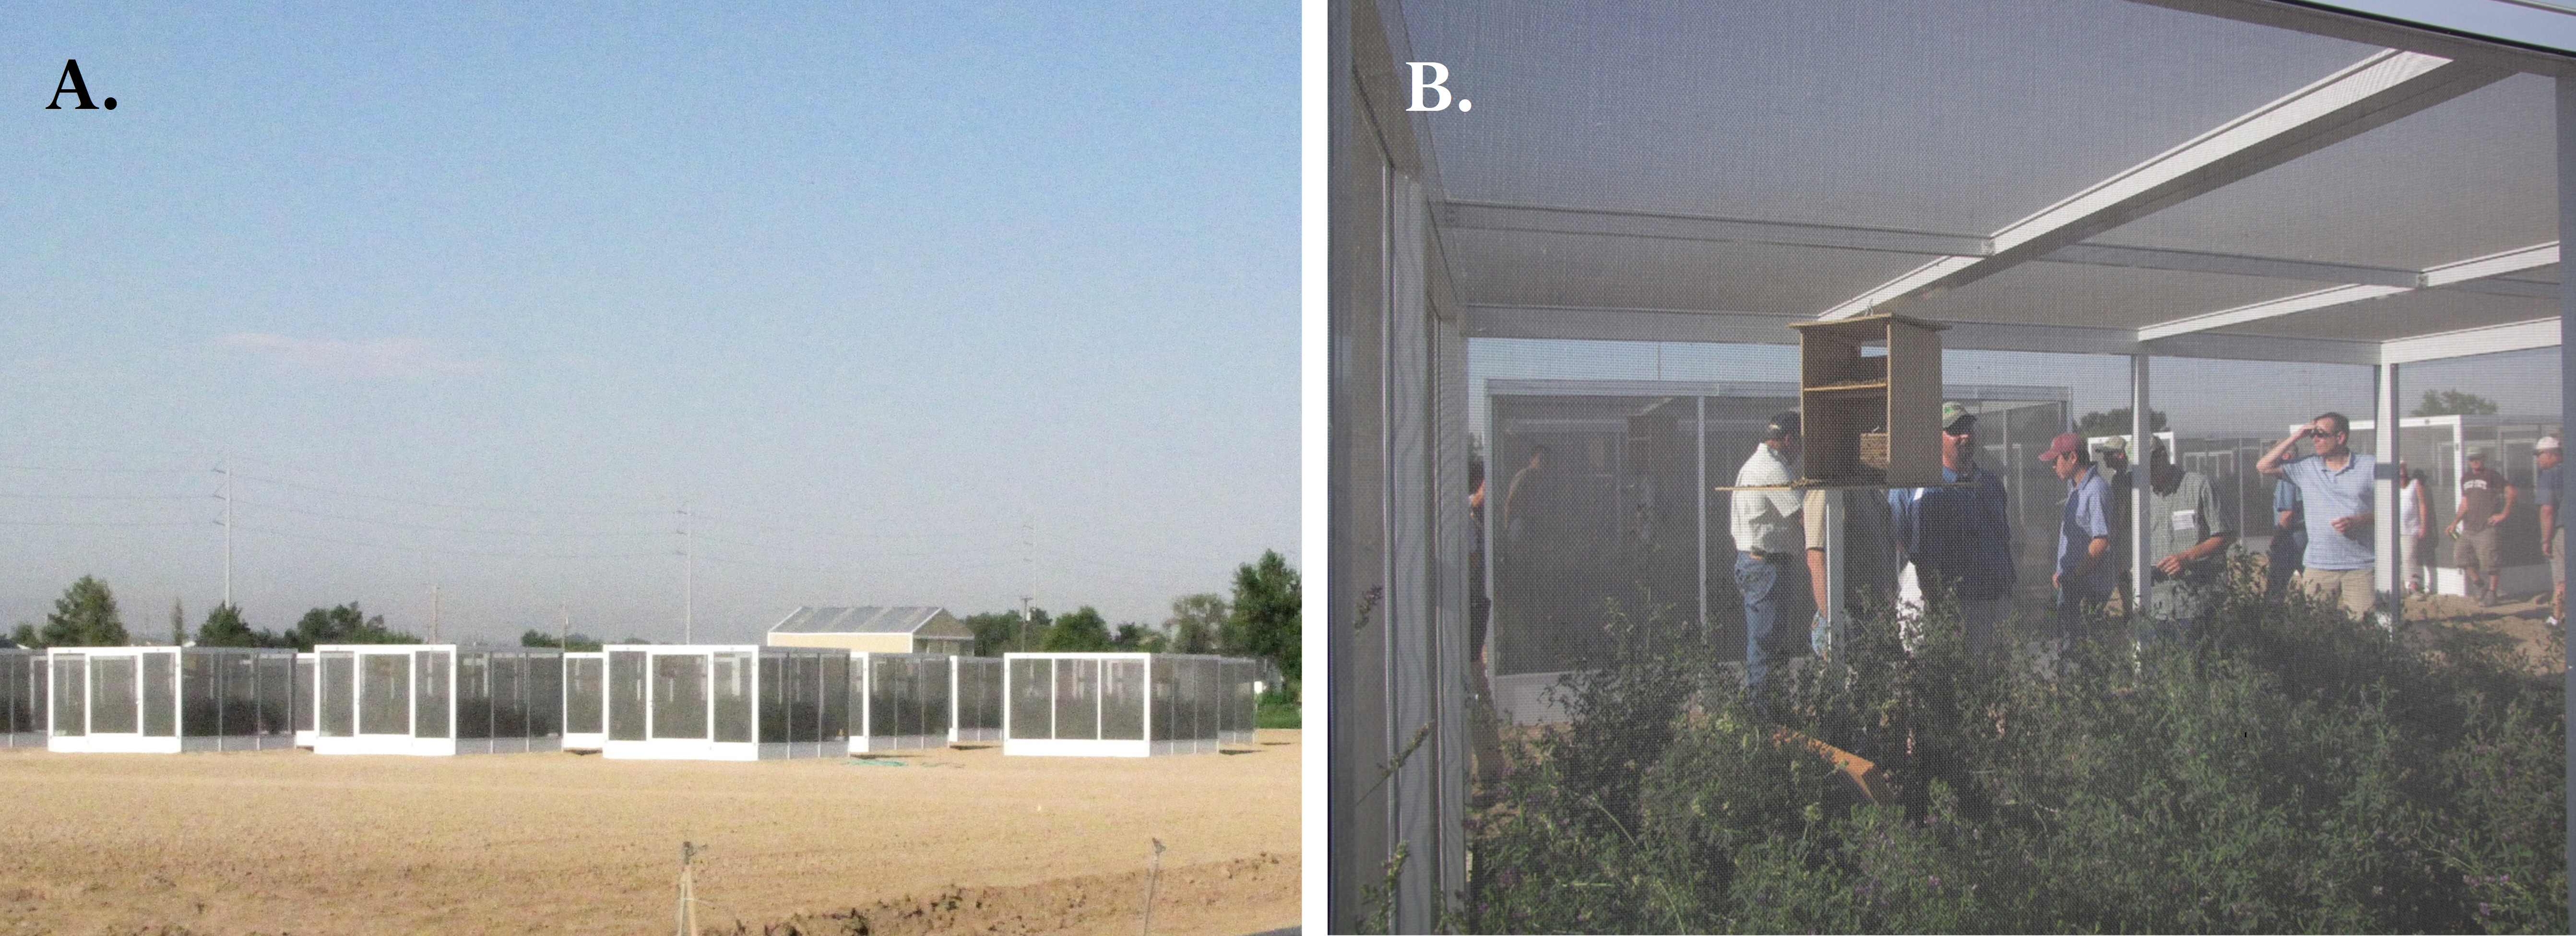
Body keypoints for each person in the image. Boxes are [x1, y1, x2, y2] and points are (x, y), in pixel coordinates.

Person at [1890, 402, 2016, 662]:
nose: (1965, 435)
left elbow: (2004, 538)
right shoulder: (1925, 487)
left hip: (1996, 601)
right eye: (1955, 430)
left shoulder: (1990, 483)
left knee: (1997, 681)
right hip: (1954, 606)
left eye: (1968, 427)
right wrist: (1939, 610)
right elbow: (1903, 542)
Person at [2256, 412, 2377, 621]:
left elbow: (2391, 509)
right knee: (2317, 628)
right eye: (2313, 435)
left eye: (2321, 434)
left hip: (2361, 566)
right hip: (2319, 566)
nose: (2315, 440)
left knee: (2364, 628)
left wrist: (2358, 520)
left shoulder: (2369, 466)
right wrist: (2296, 436)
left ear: (2340, 438)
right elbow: (2263, 466)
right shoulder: (2307, 467)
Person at [1732, 412, 1804, 698]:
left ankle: (1765, 714)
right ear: (1788, 440)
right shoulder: (1773, 469)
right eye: (1800, 444)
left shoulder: (1755, 464)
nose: (1800, 452)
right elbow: (1803, 516)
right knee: (1765, 644)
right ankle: (1765, 720)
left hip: (1754, 562)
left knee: (1762, 643)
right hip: (1767, 566)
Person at [2138, 442, 2237, 644]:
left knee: (2196, 667)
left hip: (2195, 602)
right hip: (2156, 606)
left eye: (2151, 467)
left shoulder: (2199, 486)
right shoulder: (2142, 498)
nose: (2147, 475)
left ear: (2163, 456)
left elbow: (2224, 535)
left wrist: (2187, 557)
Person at [1804, 485, 1900, 659]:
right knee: (1846, 682)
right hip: (1847, 619)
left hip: (1876, 617)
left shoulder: (1871, 491)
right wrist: (1834, 626)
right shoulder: (1828, 489)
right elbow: (1816, 559)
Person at [2042, 432, 2114, 647]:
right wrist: (2061, 570)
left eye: (2056, 460)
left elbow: (2101, 541)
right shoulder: (2077, 491)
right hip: (2073, 582)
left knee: (2080, 647)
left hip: (2086, 588)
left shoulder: (2095, 491)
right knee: (2067, 643)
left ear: (2072, 457)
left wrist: (2075, 573)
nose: (2053, 466)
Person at [2449, 447, 2516, 607]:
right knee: (2461, 556)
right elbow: (2465, 503)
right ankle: (2480, 585)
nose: (2475, 462)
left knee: (2491, 562)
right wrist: (2455, 522)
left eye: (2478, 459)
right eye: (2472, 459)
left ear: (2484, 459)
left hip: (2487, 527)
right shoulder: (2465, 478)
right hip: (2468, 528)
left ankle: (2492, 594)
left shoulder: (2492, 475)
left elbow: (2511, 492)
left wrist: (2504, 514)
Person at [2097, 436, 2134, 614]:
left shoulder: (2126, 478)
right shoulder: (2119, 478)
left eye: (2108, 454)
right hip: (2123, 536)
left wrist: (2113, 535)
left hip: (2127, 535)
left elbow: (2122, 511)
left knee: (2126, 577)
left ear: (2120, 455)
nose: (2105, 459)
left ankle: (2132, 615)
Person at [2535, 436, 2563, 626]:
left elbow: (2547, 510)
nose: (2538, 459)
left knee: (2562, 577)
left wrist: (2545, 540)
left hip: (2564, 530)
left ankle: (2556, 618)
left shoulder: (2549, 476)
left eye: (2539, 455)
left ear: (2549, 454)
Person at [2266, 479, 2307, 601]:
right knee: (2312, 585)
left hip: (2289, 540)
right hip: (2307, 537)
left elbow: (2287, 515)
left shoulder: (2287, 480)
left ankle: (2273, 618)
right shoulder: (2306, 474)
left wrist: (2276, 538)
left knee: (2275, 589)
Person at [2396, 461, 2428, 597]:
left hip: (2411, 528)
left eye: (2403, 467)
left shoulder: (2415, 484)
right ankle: (2401, 589)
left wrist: (2424, 526)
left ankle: (2414, 586)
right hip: (2394, 528)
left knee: (2409, 557)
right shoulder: (2390, 485)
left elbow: (2422, 505)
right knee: (2396, 559)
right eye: (2399, 468)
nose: (2401, 471)